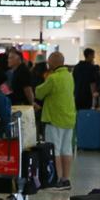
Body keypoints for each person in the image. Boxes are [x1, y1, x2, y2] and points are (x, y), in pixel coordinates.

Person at [35, 52, 77, 190]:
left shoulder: (53, 78)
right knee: (67, 149)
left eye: (49, 61)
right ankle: (66, 179)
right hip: (69, 118)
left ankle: (57, 179)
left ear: (53, 62)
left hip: (54, 118)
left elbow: (39, 93)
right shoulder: (69, 76)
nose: (48, 63)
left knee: (55, 150)